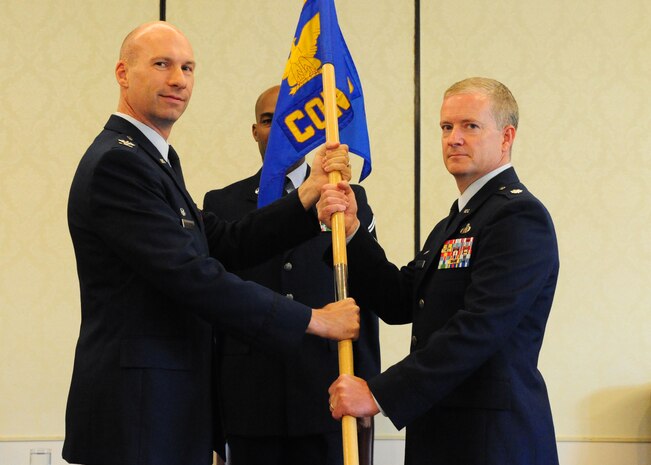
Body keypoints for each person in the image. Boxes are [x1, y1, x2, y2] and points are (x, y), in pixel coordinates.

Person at [63, 22, 361, 465]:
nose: (178, 79)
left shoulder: (152, 159)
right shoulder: (118, 164)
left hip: (165, 406)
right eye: (161, 64)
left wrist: (307, 196)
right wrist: (313, 321)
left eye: (187, 68)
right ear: (123, 73)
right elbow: (194, 276)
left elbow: (217, 240)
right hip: (139, 413)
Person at [320, 77, 560, 465]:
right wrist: (351, 232)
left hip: (491, 440)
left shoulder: (518, 216)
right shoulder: (459, 220)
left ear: (506, 136)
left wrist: (381, 393)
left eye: (470, 126)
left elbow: (479, 327)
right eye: (446, 127)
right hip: (441, 430)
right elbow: (401, 300)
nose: (454, 138)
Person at [202, 85, 380, 465]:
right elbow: (213, 304)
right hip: (250, 397)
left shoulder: (346, 197)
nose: (279, 129)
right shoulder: (221, 203)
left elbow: (365, 295)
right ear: (255, 131)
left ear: (308, 129)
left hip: (326, 393)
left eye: (289, 120)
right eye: (269, 121)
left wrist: (368, 386)